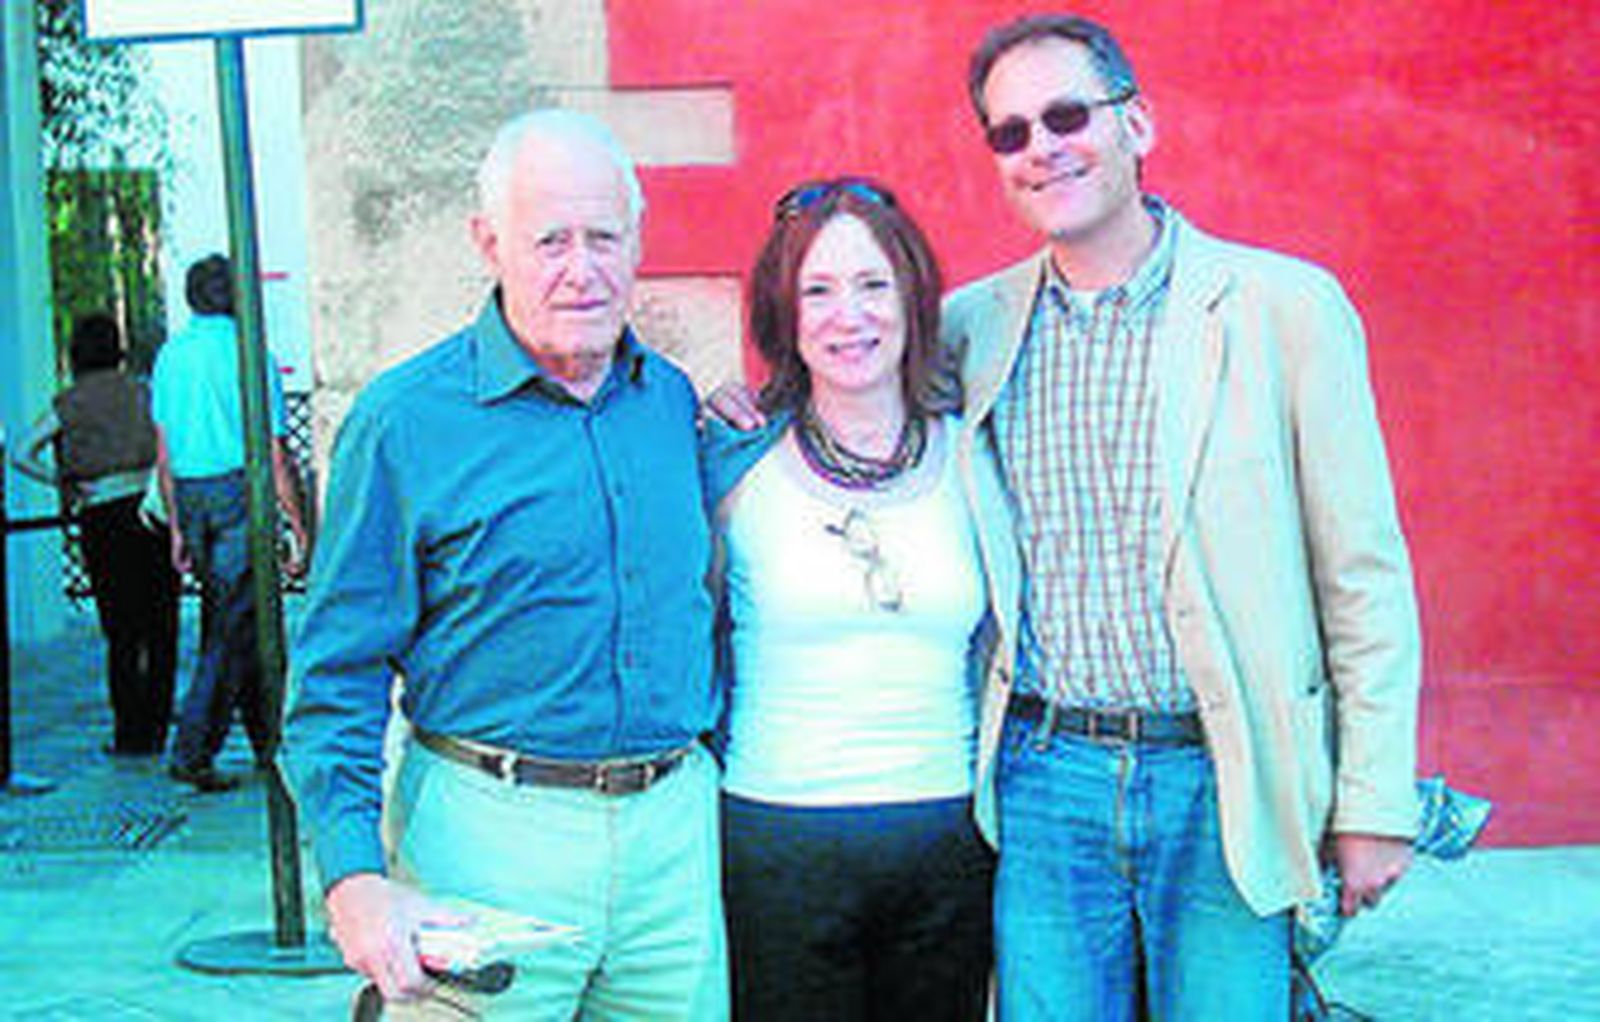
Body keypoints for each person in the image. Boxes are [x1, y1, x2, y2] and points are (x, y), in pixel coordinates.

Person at [713, 13, 1422, 1020]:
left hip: (1222, 775)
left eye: (1066, 116)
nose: (1042, 147)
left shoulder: (1284, 311)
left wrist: (1374, 801)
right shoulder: (973, 327)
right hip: (1045, 780)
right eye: (1010, 132)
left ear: (1137, 123)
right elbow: (853, 381)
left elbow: (1363, 579)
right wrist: (742, 404)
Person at [283, 109, 726, 1020]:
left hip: (673, 852)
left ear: (638, 240)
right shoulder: (404, 423)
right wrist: (353, 878)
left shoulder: (672, 404)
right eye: (550, 240)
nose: (581, 268)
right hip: (483, 843)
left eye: (604, 237)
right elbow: (335, 673)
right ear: (489, 243)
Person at [701, 177, 1018, 1021]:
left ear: (914, 298)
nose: (850, 316)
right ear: (785, 313)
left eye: (874, 284)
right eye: (818, 291)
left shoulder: (974, 456)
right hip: (778, 837)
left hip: (947, 837)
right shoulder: (734, 461)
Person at [151, 254, 309, 793]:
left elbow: (165, 450)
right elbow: (274, 449)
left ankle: (268, 740)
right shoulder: (251, 353)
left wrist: (176, 526)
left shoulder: (170, 356)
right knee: (233, 626)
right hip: (238, 491)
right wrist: (297, 522)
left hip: (192, 493)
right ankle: (194, 748)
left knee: (235, 618)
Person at [12, 312, 179, 757]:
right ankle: (158, 726)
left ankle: (130, 733)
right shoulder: (142, 392)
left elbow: (20, 451)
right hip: (150, 509)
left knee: (121, 630)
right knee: (160, 626)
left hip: (102, 513)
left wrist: (61, 482)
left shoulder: (72, 401)